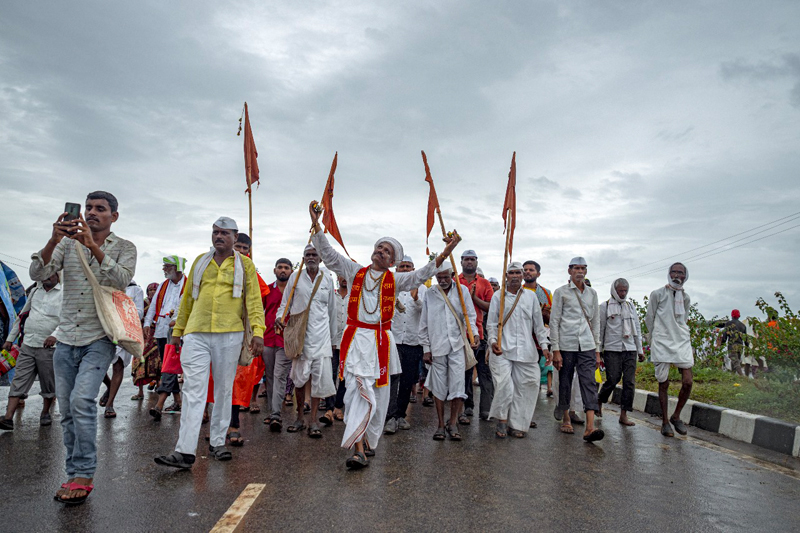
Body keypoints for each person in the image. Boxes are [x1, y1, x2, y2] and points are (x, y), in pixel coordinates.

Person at [308, 200, 461, 469]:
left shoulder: (396, 280)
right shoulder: (354, 271)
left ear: (392, 261)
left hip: (380, 343)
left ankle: (367, 439)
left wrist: (447, 251)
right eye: (379, 247)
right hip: (356, 340)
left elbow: (422, 274)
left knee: (378, 397)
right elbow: (329, 255)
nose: (380, 251)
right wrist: (317, 224)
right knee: (356, 391)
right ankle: (357, 449)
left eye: (386, 251)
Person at [30, 191, 137, 505]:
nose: (91, 212)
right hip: (66, 339)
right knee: (67, 411)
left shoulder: (125, 247)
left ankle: (85, 474)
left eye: (100, 209)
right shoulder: (66, 244)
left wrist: (92, 246)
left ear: (113, 216)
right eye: (88, 207)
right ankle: (73, 471)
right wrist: (53, 240)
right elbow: (38, 274)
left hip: (99, 337)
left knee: (81, 402)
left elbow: (121, 280)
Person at [154, 217, 264, 469]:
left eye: (224, 233)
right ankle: (184, 451)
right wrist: (178, 331)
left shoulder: (245, 265)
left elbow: (254, 301)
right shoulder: (200, 261)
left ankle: (217, 442)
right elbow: (187, 300)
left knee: (224, 389)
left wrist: (258, 331)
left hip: (230, 333)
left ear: (235, 237)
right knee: (193, 390)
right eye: (215, 232)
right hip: (197, 332)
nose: (219, 236)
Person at [276, 244, 336, 438]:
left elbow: (332, 311)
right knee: (299, 380)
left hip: (322, 338)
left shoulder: (327, 279)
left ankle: (313, 421)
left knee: (318, 380)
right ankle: (300, 418)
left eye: (314, 254)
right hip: (300, 337)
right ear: (303, 258)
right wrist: (279, 317)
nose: (311, 257)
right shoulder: (295, 278)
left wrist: (333, 339)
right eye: (307, 254)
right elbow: (285, 303)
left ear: (320, 258)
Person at [486, 262, 550, 438]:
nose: (514, 276)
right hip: (502, 349)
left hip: (526, 350)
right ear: (506, 276)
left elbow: (538, 325)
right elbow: (491, 324)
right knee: (504, 386)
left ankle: (517, 424)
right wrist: (492, 342)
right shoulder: (498, 296)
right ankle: (502, 420)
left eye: (517, 273)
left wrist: (545, 347)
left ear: (522, 276)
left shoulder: (531, 297)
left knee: (528, 384)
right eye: (511, 273)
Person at [550, 257, 604, 442]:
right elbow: (554, 321)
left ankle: (590, 427)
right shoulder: (561, 292)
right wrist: (555, 350)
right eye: (576, 268)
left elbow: (596, 322)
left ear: (586, 271)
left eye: (582, 268)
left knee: (589, 382)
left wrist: (597, 351)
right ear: (569, 271)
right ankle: (566, 418)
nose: (580, 271)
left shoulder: (592, 294)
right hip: (566, 344)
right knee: (565, 380)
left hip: (587, 345)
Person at [420, 264, 478, 440]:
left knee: (458, 385)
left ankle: (452, 423)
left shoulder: (462, 291)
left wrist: (474, 334)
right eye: (439, 277)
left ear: (452, 275)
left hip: (457, 346)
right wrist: (426, 349)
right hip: (437, 347)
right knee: (438, 387)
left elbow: (470, 316)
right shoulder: (430, 293)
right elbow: (424, 323)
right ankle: (440, 425)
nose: (443, 280)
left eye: (446, 277)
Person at [1, 272, 62, 429]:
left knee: (48, 382)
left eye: (50, 273)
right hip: (28, 344)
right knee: (19, 380)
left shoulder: (64, 294)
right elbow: (22, 316)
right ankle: (8, 418)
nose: (46, 276)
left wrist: (55, 335)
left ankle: (45, 412)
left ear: (57, 275)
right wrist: (10, 339)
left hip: (48, 348)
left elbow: (69, 320)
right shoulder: (35, 291)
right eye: (44, 273)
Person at [644, 262, 693, 437]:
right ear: (669, 274)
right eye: (674, 272)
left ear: (685, 276)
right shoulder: (657, 294)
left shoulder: (685, 298)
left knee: (688, 382)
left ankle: (676, 416)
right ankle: (665, 422)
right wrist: (654, 338)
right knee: (663, 383)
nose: (677, 275)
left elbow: (683, 319)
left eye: (680, 272)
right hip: (662, 341)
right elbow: (649, 318)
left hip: (681, 340)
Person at [384, 256, 427, 434]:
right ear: (396, 269)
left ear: (413, 269)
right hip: (393, 341)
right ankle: (389, 417)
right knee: (392, 379)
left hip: (412, 341)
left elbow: (425, 312)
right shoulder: (390, 287)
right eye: (402, 266)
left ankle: (400, 415)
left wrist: (416, 299)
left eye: (408, 266)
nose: (405, 269)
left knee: (407, 380)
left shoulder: (422, 288)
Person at [597, 278, 644, 427]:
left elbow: (637, 329)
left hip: (630, 349)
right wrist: (598, 351)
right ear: (614, 290)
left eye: (625, 291)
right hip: (612, 349)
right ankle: (599, 400)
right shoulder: (604, 306)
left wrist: (640, 350)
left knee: (629, 382)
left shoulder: (630, 306)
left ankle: (624, 414)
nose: (623, 293)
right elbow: (601, 330)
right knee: (613, 379)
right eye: (620, 291)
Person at [142, 256, 188, 399]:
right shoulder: (163, 285)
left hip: (180, 331)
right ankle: (177, 399)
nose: (164, 269)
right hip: (162, 329)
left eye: (167, 266)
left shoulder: (188, 285)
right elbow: (153, 305)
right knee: (167, 365)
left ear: (177, 268)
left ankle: (171, 399)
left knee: (176, 364)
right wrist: (147, 323)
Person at [458, 249, 494, 422]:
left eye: (472, 259)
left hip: (480, 333)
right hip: (460, 335)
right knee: (465, 374)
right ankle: (467, 407)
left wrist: (473, 298)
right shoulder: (455, 281)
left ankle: (486, 409)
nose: (469, 262)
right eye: (466, 259)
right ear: (461, 262)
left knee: (484, 373)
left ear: (477, 262)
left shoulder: (484, 283)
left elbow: (491, 307)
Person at [98, 280, 144, 418]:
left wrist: (121, 312)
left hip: (124, 332)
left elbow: (139, 313)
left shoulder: (136, 290)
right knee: (98, 365)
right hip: (105, 330)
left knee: (118, 366)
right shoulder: (106, 286)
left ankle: (110, 404)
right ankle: (110, 385)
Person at [262, 258, 293, 431]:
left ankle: (276, 414)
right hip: (267, 337)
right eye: (280, 267)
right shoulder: (267, 290)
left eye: (286, 268)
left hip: (285, 339)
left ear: (291, 271)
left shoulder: (294, 291)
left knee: (280, 375)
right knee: (270, 375)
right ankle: (271, 411)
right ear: (274, 270)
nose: (283, 270)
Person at [523, 260, 555, 398]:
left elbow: (552, 317)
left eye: (531, 270)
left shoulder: (546, 293)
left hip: (538, 339)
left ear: (538, 274)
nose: (527, 272)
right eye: (525, 269)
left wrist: (544, 314)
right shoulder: (518, 291)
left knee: (534, 369)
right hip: (522, 336)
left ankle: (531, 398)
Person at [132, 282, 162, 398]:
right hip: (142, 336)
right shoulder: (143, 303)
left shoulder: (161, 304)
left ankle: (159, 385)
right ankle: (140, 392)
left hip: (156, 336)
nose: (152, 292)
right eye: (150, 290)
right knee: (140, 361)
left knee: (157, 362)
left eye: (155, 290)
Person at [721, 309, 748, 377]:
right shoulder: (743, 325)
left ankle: (742, 376)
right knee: (736, 361)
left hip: (732, 345)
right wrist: (747, 347)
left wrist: (722, 344)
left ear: (732, 316)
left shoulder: (728, 324)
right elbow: (746, 338)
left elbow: (724, 335)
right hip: (740, 346)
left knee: (735, 362)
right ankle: (733, 377)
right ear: (739, 316)